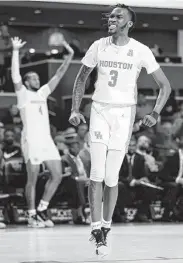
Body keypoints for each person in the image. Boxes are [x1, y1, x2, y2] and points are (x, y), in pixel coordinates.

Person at [69, 3, 171, 256]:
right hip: (100, 110)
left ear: (129, 23)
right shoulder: (98, 46)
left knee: (112, 177)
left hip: (125, 115)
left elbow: (165, 86)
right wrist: (74, 109)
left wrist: (155, 113)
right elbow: (81, 78)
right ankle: (95, 229)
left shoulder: (140, 50)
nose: (112, 19)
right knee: (97, 171)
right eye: (111, 15)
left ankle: (106, 227)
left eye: (118, 16)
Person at [11, 36, 74, 228]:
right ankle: (31, 215)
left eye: (38, 78)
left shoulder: (42, 93)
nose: (37, 80)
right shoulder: (23, 94)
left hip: (46, 141)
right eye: (33, 78)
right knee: (32, 178)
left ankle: (42, 209)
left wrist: (69, 56)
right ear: (27, 82)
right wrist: (15, 51)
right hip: (31, 140)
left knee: (57, 174)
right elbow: (15, 76)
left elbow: (59, 74)